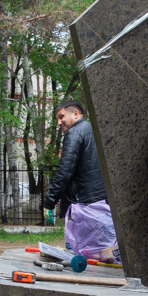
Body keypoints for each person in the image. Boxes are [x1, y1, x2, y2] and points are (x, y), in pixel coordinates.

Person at [41, 100, 119, 263]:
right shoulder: (94, 130)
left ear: (76, 114)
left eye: (61, 117)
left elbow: (65, 170)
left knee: (88, 258)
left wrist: (49, 201)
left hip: (85, 207)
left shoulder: (75, 133)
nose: (59, 122)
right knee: (105, 256)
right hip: (102, 205)